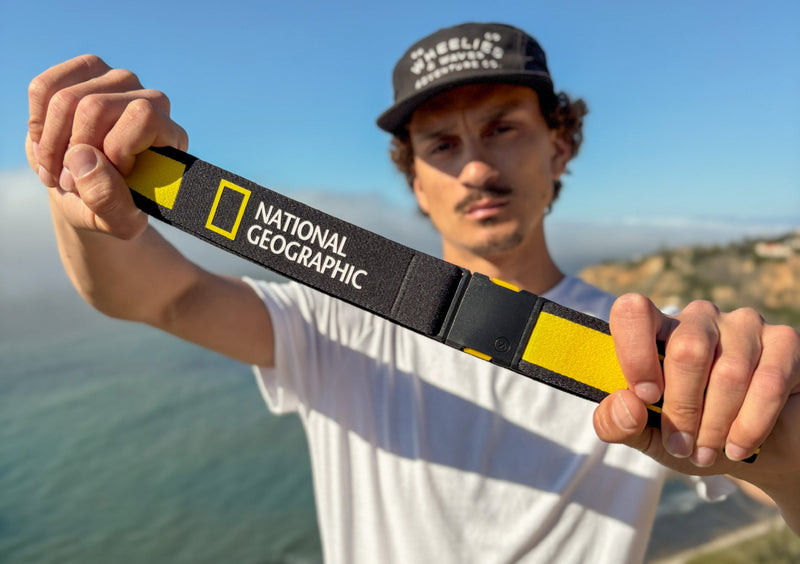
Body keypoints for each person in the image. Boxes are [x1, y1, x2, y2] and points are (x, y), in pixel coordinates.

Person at [27, 21, 799, 564]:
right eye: (441, 144)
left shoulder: (637, 349)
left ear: (558, 148)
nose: (473, 168)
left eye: (502, 128)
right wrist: (89, 200)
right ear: (414, 182)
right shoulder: (333, 317)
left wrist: (774, 449)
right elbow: (155, 297)